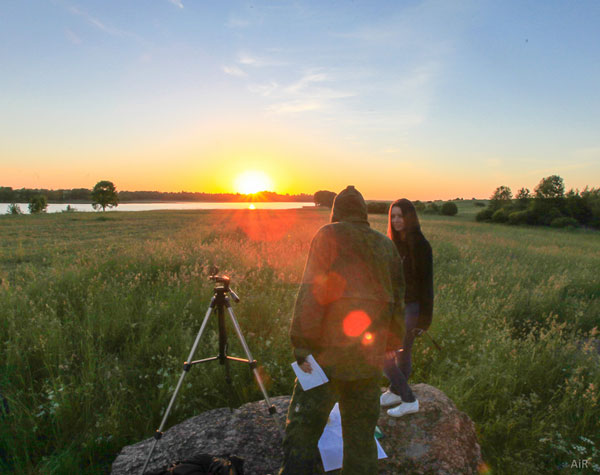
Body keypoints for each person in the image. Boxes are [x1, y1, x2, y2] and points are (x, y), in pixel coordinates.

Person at [279, 186, 405, 475]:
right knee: (361, 439)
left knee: (303, 431)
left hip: (325, 360)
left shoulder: (328, 235)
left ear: (336, 212)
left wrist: (301, 346)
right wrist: (391, 344)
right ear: (363, 214)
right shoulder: (387, 247)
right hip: (369, 361)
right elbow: (398, 301)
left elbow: (311, 295)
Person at [380, 199, 433, 417]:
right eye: (393, 216)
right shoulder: (393, 244)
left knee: (381, 353)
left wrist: (425, 320)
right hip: (395, 307)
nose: (396, 220)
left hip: (411, 308)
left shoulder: (420, 245)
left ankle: (409, 399)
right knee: (403, 354)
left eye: (401, 216)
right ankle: (395, 391)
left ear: (410, 217)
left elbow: (427, 284)